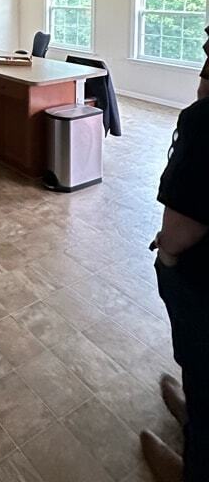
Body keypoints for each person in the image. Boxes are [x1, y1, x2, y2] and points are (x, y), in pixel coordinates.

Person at [141, 26, 209, 482]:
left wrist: (167, 255)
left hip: (204, 277)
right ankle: (193, 411)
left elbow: (184, 226)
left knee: (199, 351)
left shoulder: (206, 121)